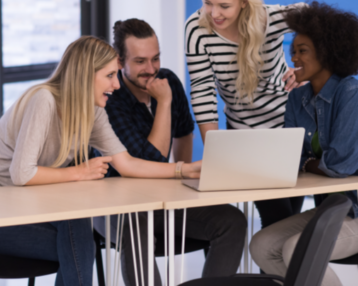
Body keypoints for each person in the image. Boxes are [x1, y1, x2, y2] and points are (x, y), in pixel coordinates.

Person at [0, 35, 202, 286]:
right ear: (86, 75)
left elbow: (126, 163)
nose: (117, 85)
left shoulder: (93, 112)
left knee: (77, 235)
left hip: (22, 210)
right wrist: (79, 172)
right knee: (78, 246)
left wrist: (184, 169)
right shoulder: (44, 100)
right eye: (109, 76)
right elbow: (22, 173)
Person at [250, 2, 358, 286]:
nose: (294, 57)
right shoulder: (296, 99)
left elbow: (339, 165)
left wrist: (307, 164)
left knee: (297, 249)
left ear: (326, 52)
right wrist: (305, 164)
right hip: (334, 210)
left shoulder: (351, 93)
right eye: (293, 50)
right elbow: (289, 157)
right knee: (261, 245)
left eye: (303, 50)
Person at [93, 19, 246, 286]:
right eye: (140, 61)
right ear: (119, 61)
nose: (151, 69)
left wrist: (183, 184)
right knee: (136, 227)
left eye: (156, 58)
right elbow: (148, 160)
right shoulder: (110, 98)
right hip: (115, 206)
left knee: (232, 221)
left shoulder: (169, 80)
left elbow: (184, 132)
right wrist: (163, 103)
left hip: (161, 199)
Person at [185, 0, 305, 229]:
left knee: (285, 221)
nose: (213, 13)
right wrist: (216, 152)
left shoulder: (271, 18)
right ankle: (281, 272)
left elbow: (318, 18)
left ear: (243, 2)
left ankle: (279, 271)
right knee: (279, 221)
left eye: (224, 6)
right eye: (207, 2)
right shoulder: (196, 28)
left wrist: (307, 69)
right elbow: (203, 92)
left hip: (288, 130)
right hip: (245, 135)